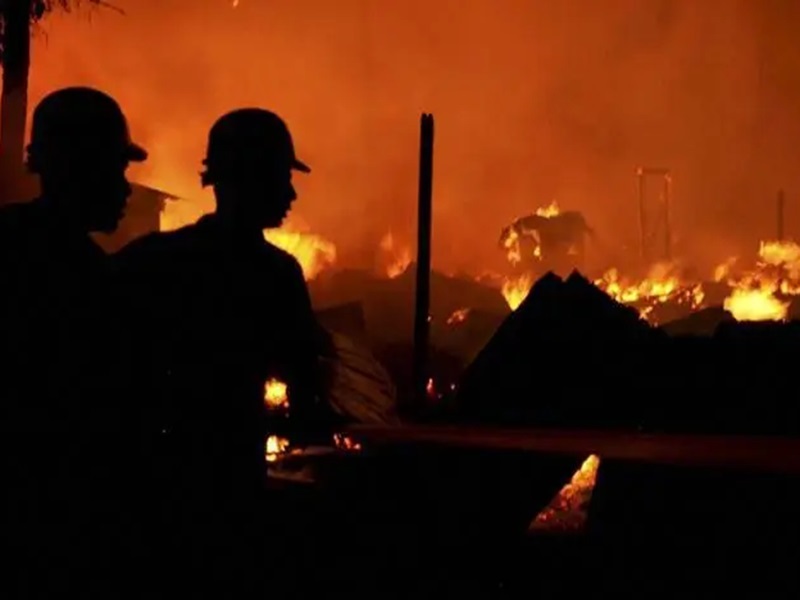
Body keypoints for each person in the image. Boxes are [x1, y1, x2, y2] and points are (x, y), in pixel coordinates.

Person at [115, 108, 334, 597]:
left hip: (147, 491)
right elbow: (307, 397)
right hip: (230, 489)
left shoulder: (148, 261)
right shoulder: (275, 275)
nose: (291, 194)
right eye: (282, 178)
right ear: (251, 179)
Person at [0, 86, 148, 597]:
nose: (126, 188)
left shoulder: (22, 243)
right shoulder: (81, 276)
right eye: (117, 169)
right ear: (78, 166)